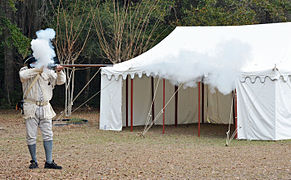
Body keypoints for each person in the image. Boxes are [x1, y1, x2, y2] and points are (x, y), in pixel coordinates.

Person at [19, 55, 66, 169]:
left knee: (48, 134)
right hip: (30, 106)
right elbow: (23, 76)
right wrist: (39, 68)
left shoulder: (48, 72)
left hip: (45, 107)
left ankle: (49, 161)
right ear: (31, 63)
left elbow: (61, 81)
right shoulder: (25, 71)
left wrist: (59, 71)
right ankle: (34, 161)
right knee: (31, 136)